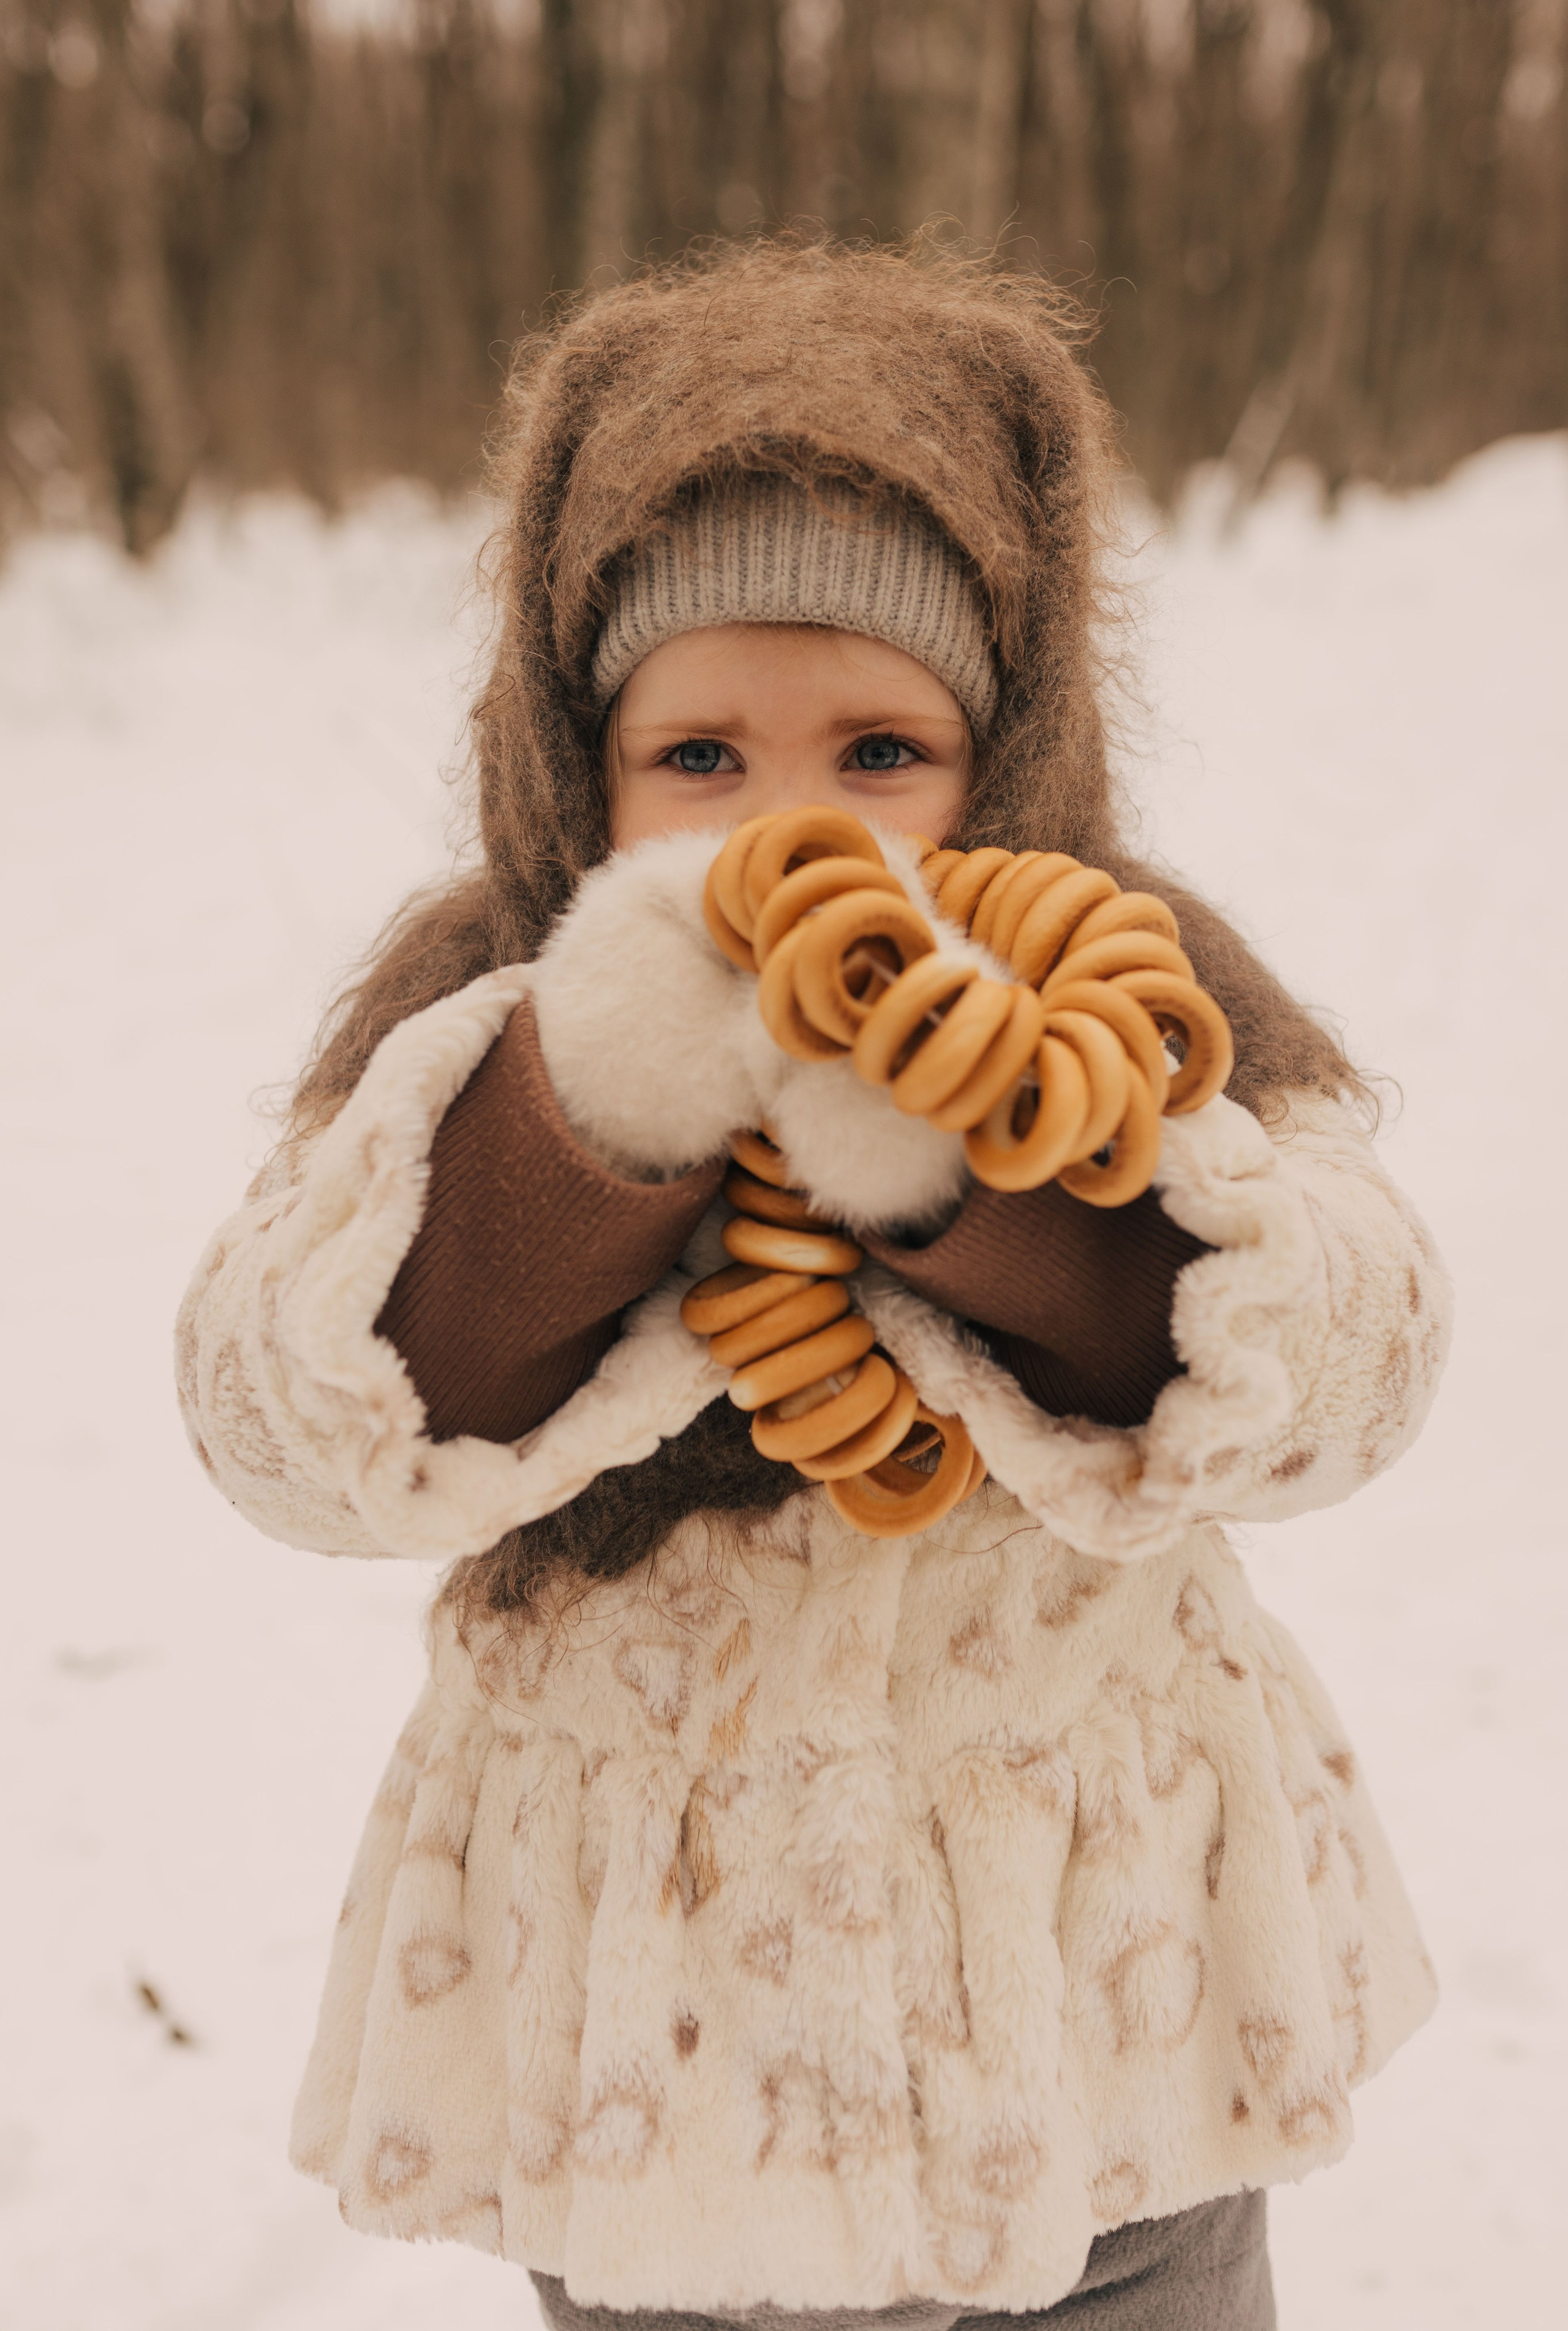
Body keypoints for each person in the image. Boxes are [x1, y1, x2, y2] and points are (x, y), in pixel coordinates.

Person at [176, 240, 1449, 2331]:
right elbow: (275, 1413)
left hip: (1103, 2011)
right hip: (665, 2071)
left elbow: (1358, 1355)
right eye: (702, 757)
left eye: (880, 751)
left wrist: (978, 1170)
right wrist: (586, 1121)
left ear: (1006, 752)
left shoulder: (1132, 979)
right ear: (577, 760)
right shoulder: (476, 1008)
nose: (793, 832)